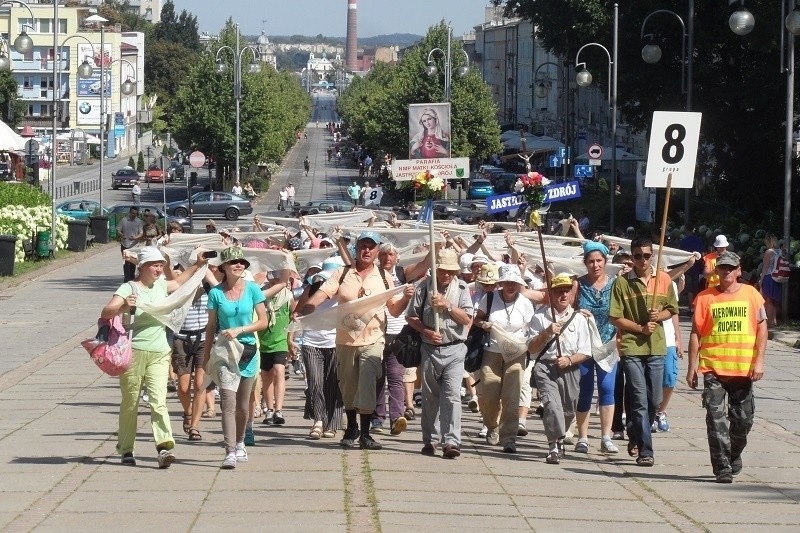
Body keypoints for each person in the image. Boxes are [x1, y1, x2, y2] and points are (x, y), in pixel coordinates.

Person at [299, 231, 411, 451]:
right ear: (356, 249)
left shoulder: (384, 275)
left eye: (371, 246)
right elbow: (322, 294)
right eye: (362, 246)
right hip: (346, 339)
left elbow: (395, 311)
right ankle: (351, 427)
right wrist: (307, 310)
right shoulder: (342, 273)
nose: (366, 250)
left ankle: (366, 433)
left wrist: (406, 297)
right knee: (348, 386)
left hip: (374, 338)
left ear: (377, 251)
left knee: (368, 380)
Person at [100, 246, 208, 468]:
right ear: (142, 267)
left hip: (160, 351)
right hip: (133, 353)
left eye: (161, 265)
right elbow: (106, 312)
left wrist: (197, 264)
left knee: (158, 402)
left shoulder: (160, 285)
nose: (159, 269)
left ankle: (164, 448)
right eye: (155, 265)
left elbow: (178, 283)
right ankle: (126, 449)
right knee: (130, 402)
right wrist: (122, 307)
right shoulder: (129, 287)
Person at [687, 251, 767, 483]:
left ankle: (734, 452)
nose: (727, 271)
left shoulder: (752, 295)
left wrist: (759, 361)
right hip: (713, 368)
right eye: (723, 268)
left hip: (743, 369)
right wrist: (692, 367)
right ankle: (722, 466)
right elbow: (696, 333)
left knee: (743, 420)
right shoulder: (705, 298)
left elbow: (762, 329)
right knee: (715, 418)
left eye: (731, 268)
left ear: (739, 270)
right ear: (717, 270)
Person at [609, 237, 679, 467]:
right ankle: (646, 451)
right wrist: (640, 327)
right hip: (632, 347)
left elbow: (672, 309)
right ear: (632, 257)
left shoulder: (664, 279)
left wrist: (659, 316)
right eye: (637, 256)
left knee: (654, 400)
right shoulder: (622, 283)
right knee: (638, 399)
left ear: (652, 256)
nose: (642, 260)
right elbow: (615, 317)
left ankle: (634, 432)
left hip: (657, 346)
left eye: (646, 256)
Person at [202, 247, 268, 469]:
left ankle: (240, 442)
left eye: (241, 262)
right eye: (233, 262)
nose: (238, 265)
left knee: (242, 406)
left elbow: (263, 321)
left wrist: (241, 330)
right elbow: (211, 326)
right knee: (227, 403)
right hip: (225, 352)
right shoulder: (216, 294)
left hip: (248, 351)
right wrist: (206, 356)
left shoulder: (252, 289)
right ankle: (229, 451)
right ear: (224, 267)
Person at [406, 248, 473, 459]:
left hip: (454, 348)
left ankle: (451, 440)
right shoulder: (423, 288)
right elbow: (411, 316)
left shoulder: (461, 289)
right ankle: (430, 439)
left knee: (452, 396)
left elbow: (466, 319)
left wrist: (448, 306)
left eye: (450, 271)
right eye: (442, 270)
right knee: (430, 397)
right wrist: (425, 330)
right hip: (430, 349)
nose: (446, 275)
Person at [527, 274, 592, 464]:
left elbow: (586, 352)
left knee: (568, 409)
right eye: (558, 291)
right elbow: (531, 348)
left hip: (570, 369)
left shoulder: (579, 319)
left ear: (571, 294)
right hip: (545, 367)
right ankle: (553, 445)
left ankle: (560, 436)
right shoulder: (539, 316)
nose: (563, 295)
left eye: (566, 291)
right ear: (551, 293)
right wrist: (547, 332)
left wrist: (570, 360)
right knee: (551, 406)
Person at [473, 264, 535, 454]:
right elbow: (478, 318)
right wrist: (484, 324)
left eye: (514, 282)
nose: (510, 286)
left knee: (511, 395)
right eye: (507, 282)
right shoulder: (489, 297)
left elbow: (531, 328)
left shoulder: (525, 303)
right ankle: (492, 427)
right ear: (501, 283)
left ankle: (509, 437)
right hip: (492, 350)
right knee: (490, 392)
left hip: (516, 352)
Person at [574, 241, 620, 455]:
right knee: (584, 390)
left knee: (607, 388)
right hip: (583, 346)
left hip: (607, 344)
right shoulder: (578, 284)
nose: (595, 265)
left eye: (599, 261)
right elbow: (566, 309)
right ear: (585, 263)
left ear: (605, 261)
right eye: (591, 261)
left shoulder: (615, 284)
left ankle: (606, 437)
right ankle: (582, 437)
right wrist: (577, 314)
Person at [297, 258, 346, 439]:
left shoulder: (343, 294)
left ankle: (332, 424)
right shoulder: (311, 290)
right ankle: (318, 420)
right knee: (315, 382)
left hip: (334, 343)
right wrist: (297, 316)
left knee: (333, 384)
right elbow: (299, 310)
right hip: (311, 341)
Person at [258, 268, 296, 431]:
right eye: (271, 275)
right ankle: (269, 409)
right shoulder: (260, 294)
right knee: (266, 376)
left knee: (279, 371)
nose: (274, 279)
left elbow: (294, 318)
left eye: (277, 276)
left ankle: (279, 410)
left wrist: (290, 339)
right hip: (263, 341)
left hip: (280, 341)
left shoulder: (288, 296)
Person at [758, 233, 783, 328]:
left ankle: (770, 321)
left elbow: (765, 267)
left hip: (769, 277)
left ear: (768, 241)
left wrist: (761, 279)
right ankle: (774, 320)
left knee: (768, 300)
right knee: (774, 300)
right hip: (777, 277)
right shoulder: (779, 251)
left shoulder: (769, 252)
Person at [118, 207, 143, 282]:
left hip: (134, 246)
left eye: (135, 214)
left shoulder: (139, 222)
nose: (134, 215)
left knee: (133, 262)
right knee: (126, 261)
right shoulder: (124, 220)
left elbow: (141, 233)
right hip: (125, 244)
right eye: (132, 213)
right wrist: (122, 235)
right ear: (130, 213)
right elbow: (118, 230)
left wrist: (136, 238)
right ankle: (126, 278)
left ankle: (132, 277)